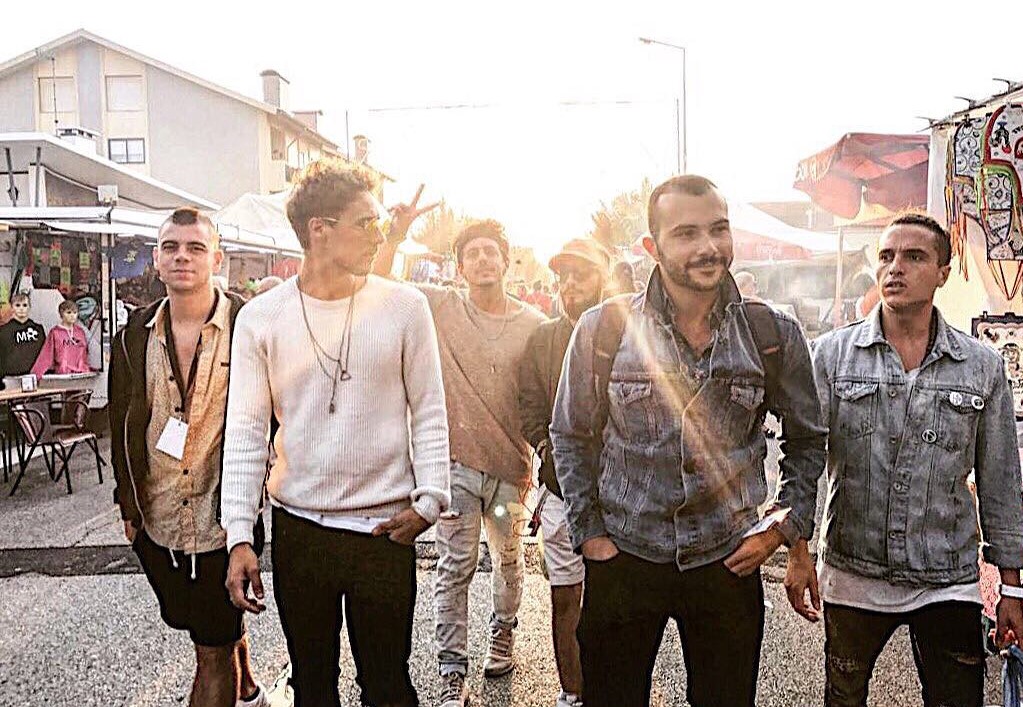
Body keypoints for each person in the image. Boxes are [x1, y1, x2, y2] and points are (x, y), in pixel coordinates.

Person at [550, 175, 826, 707]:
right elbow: (570, 434)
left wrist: (780, 528)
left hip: (728, 557)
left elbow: (808, 440)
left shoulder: (772, 334)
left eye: (718, 229)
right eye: (686, 234)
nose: (708, 247)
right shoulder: (604, 329)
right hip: (625, 554)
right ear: (652, 247)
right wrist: (590, 536)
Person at [221, 160, 450, 707]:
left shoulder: (405, 307)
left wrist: (431, 500)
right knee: (313, 686)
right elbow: (247, 431)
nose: (379, 235)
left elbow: (429, 410)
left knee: (388, 687)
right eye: (366, 223)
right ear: (319, 229)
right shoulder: (261, 317)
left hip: (385, 530)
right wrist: (239, 535)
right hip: (301, 532)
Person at [788, 212, 1023, 707]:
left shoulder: (982, 367)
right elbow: (805, 458)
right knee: (844, 698)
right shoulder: (830, 356)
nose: (896, 267)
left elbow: (1001, 481)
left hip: (947, 577)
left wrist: (1012, 589)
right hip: (854, 573)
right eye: (887, 256)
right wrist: (797, 546)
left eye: (914, 257)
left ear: (943, 272)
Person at [374, 215, 546, 707]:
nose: (483, 260)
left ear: (507, 262)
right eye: (473, 253)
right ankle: (452, 672)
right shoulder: (441, 307)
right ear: (459, 266)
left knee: (508, 562)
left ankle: (503, 631)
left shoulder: (534, 325)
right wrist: (394, 235)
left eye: (491, 252)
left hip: (512, 470)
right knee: (455, 567)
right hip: (456, 469)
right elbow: (380, 283)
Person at [108, 207, 269, 707]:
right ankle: (249, 688)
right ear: (156, 260)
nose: (183, 257)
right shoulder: (133, 335)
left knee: (211, 653)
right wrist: (128, 505)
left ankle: (236, 684)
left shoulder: (249, 325)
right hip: (158, 521)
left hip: (223, 522)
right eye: (171, 247)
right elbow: (121, 422)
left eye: (196, 247)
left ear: (217, 259)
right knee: (204, 627)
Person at [518, 238, 610, 707]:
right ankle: (572, 693)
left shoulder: (628, 332)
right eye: (563, 276)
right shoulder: (543, 339)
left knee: (614, 604)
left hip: (619, 497)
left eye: (582, 274)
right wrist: (543, 445)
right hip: (559, 493)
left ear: (603, 277)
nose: (570, 283)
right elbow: (529, 404)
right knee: (565, 599)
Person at [31, 299, 90, 378]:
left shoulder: (80, 332)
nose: (72, 315)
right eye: (69, 312)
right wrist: (36, 375)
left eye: (75, 312)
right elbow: (46, 354)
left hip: (82, 373)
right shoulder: (55, 332)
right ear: (61, 314)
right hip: (63, 374)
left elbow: (85, 353)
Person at [0, 292, 45, 386]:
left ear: (29, 307)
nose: (21, 308)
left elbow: (45, 354)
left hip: (35, 377)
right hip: (10, 378)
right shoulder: (3, 331)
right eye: (17, 305)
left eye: (24, 305)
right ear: (12, 307)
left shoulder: (38, 329)